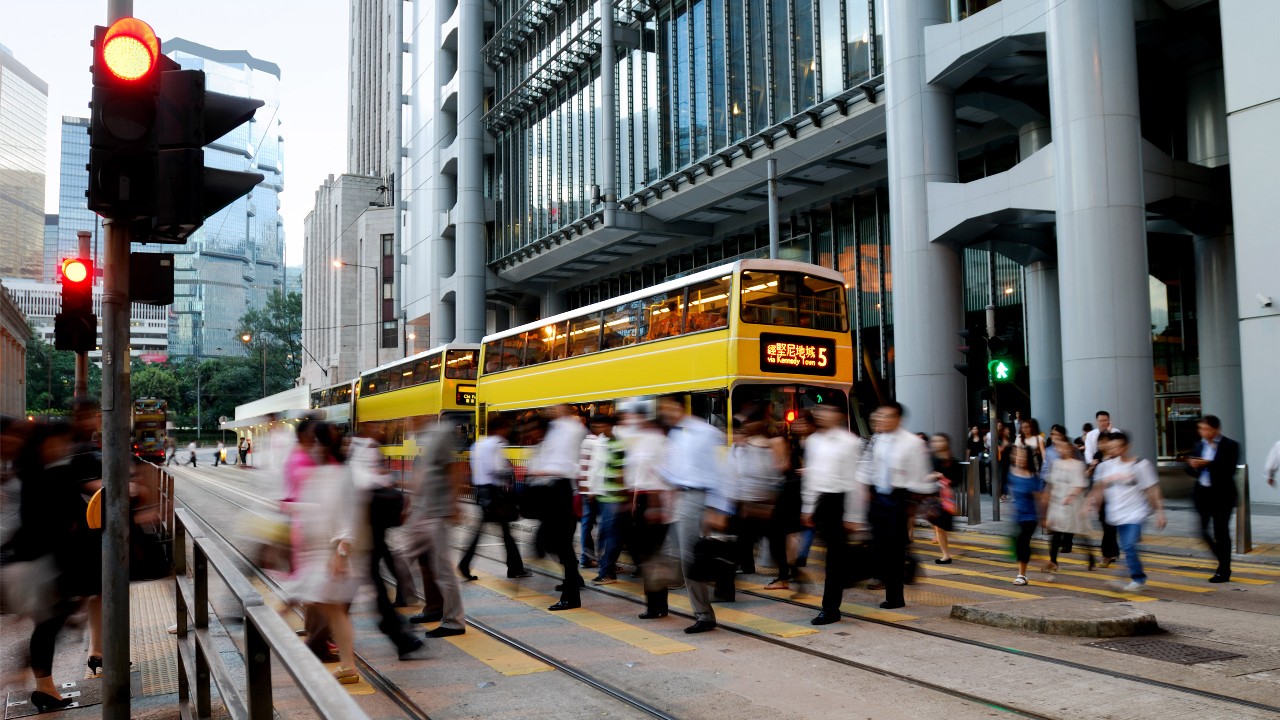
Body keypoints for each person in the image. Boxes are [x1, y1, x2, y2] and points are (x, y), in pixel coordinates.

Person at [283, 421, 362, 684]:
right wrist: (292, 508)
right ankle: (348, 666)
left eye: (316, 442)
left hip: (326, 556)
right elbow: (318, 508)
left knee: (287, 603)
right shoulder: (322, 472)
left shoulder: (338, 475)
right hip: (315, 554)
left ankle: (258, 649)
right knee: (333, 611)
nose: (311, 447)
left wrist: (340, 552)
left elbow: (347, 517)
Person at [657, 393, 733, 633]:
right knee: (679, 556)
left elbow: (719, 472)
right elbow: (673, 470)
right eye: (663, 409)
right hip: (680, 498)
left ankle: (704, 614)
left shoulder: (703, 433)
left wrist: (717, 508)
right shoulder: (673, 434)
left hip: (698, 498)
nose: (665, 413)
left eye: (668, 408)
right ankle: (701, 606)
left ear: (680, 407)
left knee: (692, 558)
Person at [349, 426, 424, 659]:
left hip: (369, 531)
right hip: (357, 532)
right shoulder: (360, 452)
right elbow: (363, 485)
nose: (381, 432)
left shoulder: (361, 451)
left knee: (375, 585)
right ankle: (397, 632)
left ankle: (398, 632)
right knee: (370, 587)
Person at [858, 402, 931, 610]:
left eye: (887, 416)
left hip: (900, 499)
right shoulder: (877, 440)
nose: (881, 419)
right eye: (879, 415)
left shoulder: (912, 443)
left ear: (898, 419)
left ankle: (895, 596)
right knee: (879, 547)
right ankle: (898, 568)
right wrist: (864, 491)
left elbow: (919, 476)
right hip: (878, 498)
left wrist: (912, 506)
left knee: (894, 552)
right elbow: (866, 467)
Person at [402, 421, 468, 638]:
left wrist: (454, 504)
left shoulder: (440, 435)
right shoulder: (426, 439)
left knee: (442, 569)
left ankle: (454, 622)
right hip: (424, 511)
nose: (405, 422)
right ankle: (433, 608)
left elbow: (453, 471)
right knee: (410, 559)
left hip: (437, 512)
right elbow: (423, 475)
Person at [801, 403, 863, 625]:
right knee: (828, 557)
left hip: (841, 500)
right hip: (822, 502)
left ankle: (830, 609)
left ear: (838, 415)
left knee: (833, 560)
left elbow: (855, 480)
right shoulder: (814, 441)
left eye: (827, 410)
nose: (821, 414)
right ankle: (847, 579)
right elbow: (811, 476)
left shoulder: (850, 442)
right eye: (819, 410)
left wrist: (854, 515)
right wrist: (808, 507)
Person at [618, 398, 675, 619]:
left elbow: (655, 476)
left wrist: (653, 507)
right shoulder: (644, 440)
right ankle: (657, 604)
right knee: (649, 555)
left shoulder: (655, 441)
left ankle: (656, 605)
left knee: (650, 556)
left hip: (652, 501)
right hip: (642, 500)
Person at [526, 404, 588, 610]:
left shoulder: (569, 430)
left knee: (559, 545)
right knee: (557, 545)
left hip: (560, 493)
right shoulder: (551, 436)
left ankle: (571, 596)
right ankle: (573, 581)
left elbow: (565, 466)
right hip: (552, 495)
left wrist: (542, 472)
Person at [1088, 432, 1166, 592]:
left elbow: (1152, 489)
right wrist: (1091, 503)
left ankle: (1137, 578)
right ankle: (1129, 575)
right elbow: (1098, 488)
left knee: (1129, 545)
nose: (1113, 450)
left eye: (1117, 447)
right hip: (1117, 514)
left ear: (1126, 447)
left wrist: (1160, 512)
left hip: (1136, 513)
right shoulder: (1105, 466)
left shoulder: (1140, 465)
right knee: (1127, 547)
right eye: (1111, 447)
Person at [459, 414, 528, 580]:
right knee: (502, 532)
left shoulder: (478, 444)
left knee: (500, 532)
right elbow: (495, 468)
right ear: (499, 428)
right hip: (495, 494)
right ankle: (514, 567)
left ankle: (514, 567)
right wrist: (509, 469)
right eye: (505, 427)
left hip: (482, 492)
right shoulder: (495, 445)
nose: (507, 431)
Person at [728, 405, 789, 587]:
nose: (747, 425)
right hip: (748, 503)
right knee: (741, 543)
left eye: (751, 421)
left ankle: (785, 576)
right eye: (746, 422)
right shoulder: (740, 446)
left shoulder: (774, 443)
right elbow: (736, 474)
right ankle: (733, 577)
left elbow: (780, 472)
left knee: (775, 545)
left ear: (761, 423)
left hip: (769, 505)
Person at [1185, 415, 1240, 583]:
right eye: (1200, 429)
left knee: (1221, 532)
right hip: (1203, 494)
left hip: (1222, 495)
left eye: (1206, 429)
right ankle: (1222, 558)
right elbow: (1191, 471)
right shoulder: (1198, 445)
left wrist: (1207, 464)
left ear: (1216, 429)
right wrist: (1192, 466)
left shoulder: (1230, 445)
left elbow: (1229, 470)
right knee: (1202, 531)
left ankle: (1224, 569)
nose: (1203, 432)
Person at [1043, 431, 1094, 576]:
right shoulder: (1056, 463)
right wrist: (1046, 497)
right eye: (1059, 448)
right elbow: (1051, 482)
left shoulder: (1077, 465)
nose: (1061, 450)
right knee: (1055, 533)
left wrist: (1071, 495)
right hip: (1057, 502)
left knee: (1080, 532)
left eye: (1064, 447)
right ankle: (1053, 561)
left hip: (1073, 504)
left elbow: (1080, 483)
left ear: (1070, 449)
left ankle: (1091, 558)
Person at [587, 415, 629, 584]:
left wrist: (625, 497)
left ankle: (607, 571)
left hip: (615, 497)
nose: (597, 429)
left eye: (600, 425)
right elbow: (597, 469)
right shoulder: (602, 443)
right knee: (606, 536)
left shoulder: (617, 444)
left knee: (611, 536)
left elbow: (621, 473)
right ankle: (607, 569)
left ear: (609, 426)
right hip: (604, 496)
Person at [1084, 411, 1121, 566]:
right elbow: (1088, 455)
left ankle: (1108, 553)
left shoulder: (1116, 434)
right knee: (1106, 521)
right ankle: (1112, 552)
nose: (1103, 423)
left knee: (1110, 522)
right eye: (1100, 420)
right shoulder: (1093, 438)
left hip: (1115, 490)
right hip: (1101, 489)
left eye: (1105, 420)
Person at [1006, 446, 1043, 586]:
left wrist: (1044, 517)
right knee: (1021, 545)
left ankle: (1022, 575)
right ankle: (1044, 562)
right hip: (1017, 516)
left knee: (1023, 543)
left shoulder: (1033, 477)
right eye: (1017, 455)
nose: (1019, 458)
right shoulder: (1011, 473)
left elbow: (1040, 498)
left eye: (1022, 456)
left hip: (1030, 517)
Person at [786, 410, 817, 569]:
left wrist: (808, 471)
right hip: (797, 487)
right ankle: (798, 555)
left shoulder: (816, 442)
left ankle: (801, 556)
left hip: (813, 487)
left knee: (809, 524)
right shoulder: (794, 441)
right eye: (797, 423)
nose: (798, 426)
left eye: (802, 423)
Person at [927, 433, 960, 564]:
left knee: (944, 526)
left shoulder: (954, 462)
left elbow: (957, 481)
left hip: (947, 498)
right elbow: (924, 476)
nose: (936, 444)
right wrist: (933, 476)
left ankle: (952, 546)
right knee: (939, 527)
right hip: (933, 496)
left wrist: (942, 477)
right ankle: (946, 555)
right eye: (934, 441)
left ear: (946, 443)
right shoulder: (931, 460)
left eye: (939, 441)